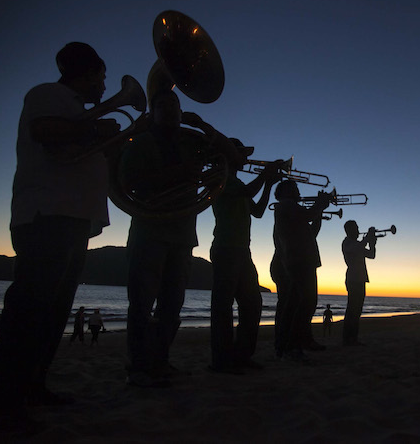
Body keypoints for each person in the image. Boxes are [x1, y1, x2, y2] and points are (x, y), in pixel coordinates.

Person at [0, 42, 120, 426]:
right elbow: (46, 131)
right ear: (91, 72)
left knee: (53, 312)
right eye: (103, 77)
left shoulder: (77, 108)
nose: (105, 87)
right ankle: (4, 398)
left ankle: (32, 386)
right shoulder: (50, 94)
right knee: (30, 309)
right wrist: (96, 127)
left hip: (72, 220)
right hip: (47, 215)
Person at [122, 89, 239, 386]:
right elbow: (129, 182)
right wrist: (179, 174)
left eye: (174, 102)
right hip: (149, 231)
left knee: (172, 305)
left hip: (183, 235)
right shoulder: (142, 141)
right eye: (162, 102)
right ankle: (138, 366)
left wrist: (203, 125)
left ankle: (160, 361)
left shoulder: (192, 140)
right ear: (152, 111)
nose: (170, 107)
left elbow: (234, 156)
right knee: (141, 304)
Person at [209, 139, 280, 374]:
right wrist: (266, 175)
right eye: (240, 154)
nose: (245, 159)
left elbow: (258, 211)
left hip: (241, 250)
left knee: (252, 303)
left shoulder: (238, 182)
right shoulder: (220, 179)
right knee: (223, 307)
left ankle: (241, 355)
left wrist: (269, 184)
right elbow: (249, 191)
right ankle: (222, 359)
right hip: (226, 248)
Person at [273, 180, 331, 360]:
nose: (299, 192)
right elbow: (309, 215)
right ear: (286, 191)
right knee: (306, 302)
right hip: (299, 261)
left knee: (297, 304)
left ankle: (287, 346)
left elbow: (312, 229)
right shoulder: (286, 206)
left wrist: (319, 210)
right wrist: (320, 204)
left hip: (302, 260)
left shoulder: (293, 211)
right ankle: (292, 346)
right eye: (295, 188)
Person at [341, 220, 377, 346]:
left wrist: (372, 244)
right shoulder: (347, 243)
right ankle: (347, 338)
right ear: (349, 230)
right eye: (355, 228)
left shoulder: (357, 244)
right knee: (352, 309)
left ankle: (353, 338)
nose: (357, 231)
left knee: (357, 310)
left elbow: (371, 255)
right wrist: (367, 238)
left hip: (360, 278)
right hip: (353, 278)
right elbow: (357, 248)